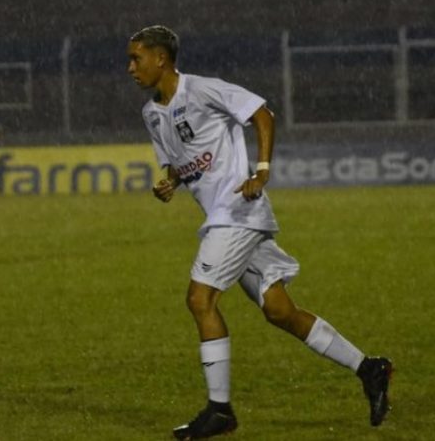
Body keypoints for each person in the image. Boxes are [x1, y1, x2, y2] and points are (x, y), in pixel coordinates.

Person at [127, 25, 393, 439]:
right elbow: (184, 159)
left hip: (236, 211)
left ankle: (220, 410)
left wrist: (262, 170)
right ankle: (369, 368)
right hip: (227, 218)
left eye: (136, 58)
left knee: (200, 299)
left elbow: (262, 114)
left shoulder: (203, 90)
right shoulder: (152, 114)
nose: (130, 67)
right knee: (280, 311)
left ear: (160, 59)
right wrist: (172, 182)